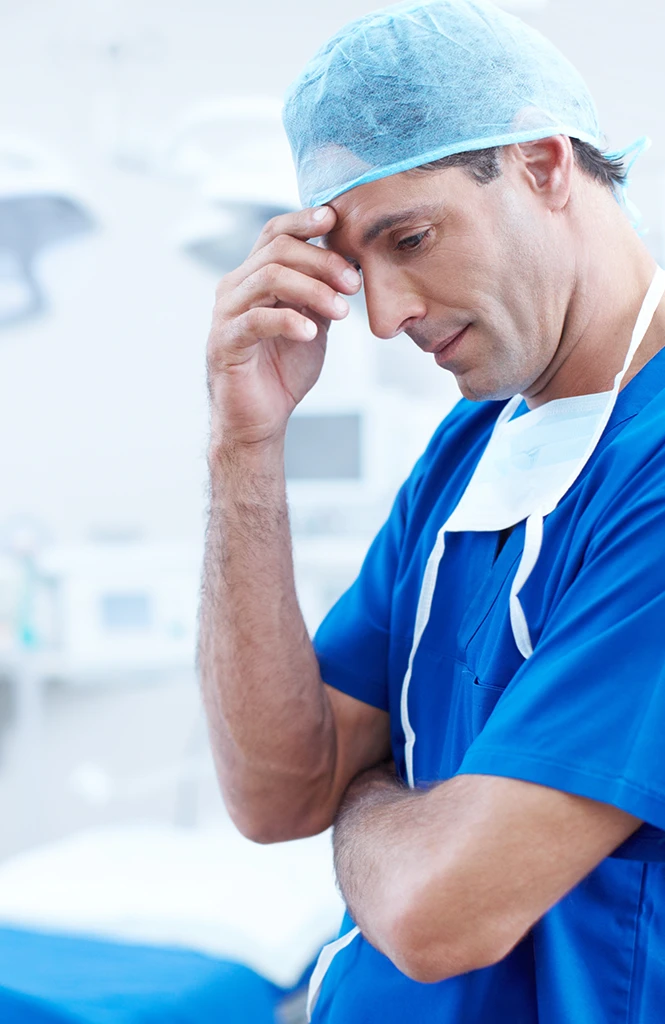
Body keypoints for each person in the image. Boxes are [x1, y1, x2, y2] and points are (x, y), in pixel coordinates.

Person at [198, 1, 665, 1020]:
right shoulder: (472, 447)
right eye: (358, 266)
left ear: (543, 167)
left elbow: (436, 910)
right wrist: (245, 447)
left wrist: (365, 795)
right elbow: (279, 793)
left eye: (409, 237)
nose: (382, 315)